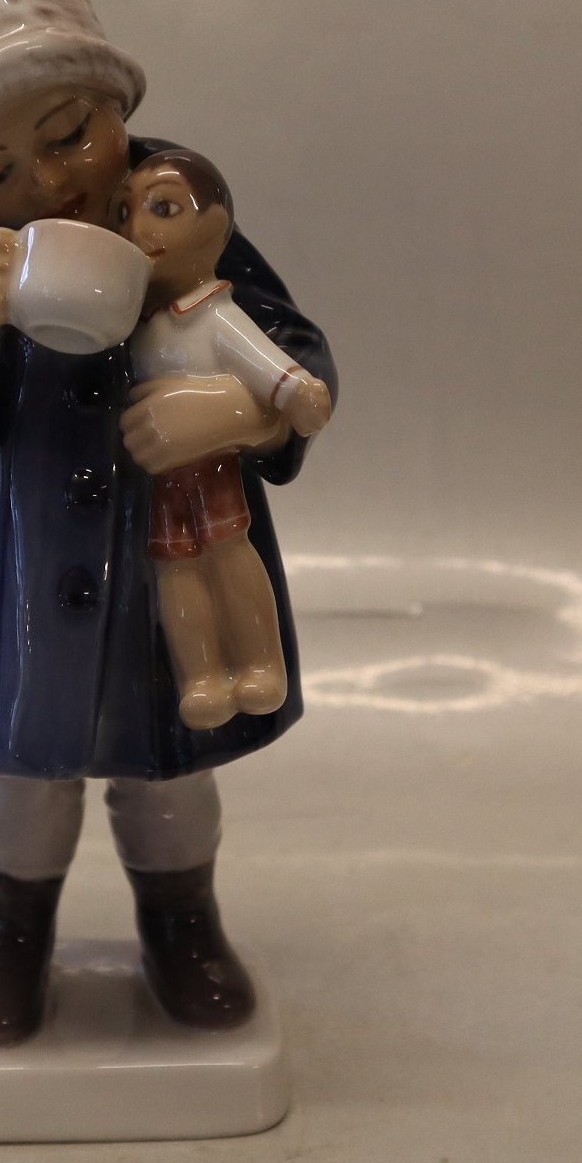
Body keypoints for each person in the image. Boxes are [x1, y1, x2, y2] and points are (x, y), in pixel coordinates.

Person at [0, 0, 338, 1046]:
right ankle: (9, 934)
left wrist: (239, 412)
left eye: (70, 135)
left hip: (166, 552)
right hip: (11, 557)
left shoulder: (175, 210)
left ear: (117, 108)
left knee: (170, 766)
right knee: (28, 771)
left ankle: (183, 922)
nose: (50, 181)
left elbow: (292, 354)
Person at [115, 149, 332, 731]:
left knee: (230, 555)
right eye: (123, 213)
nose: (137, 229)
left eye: (163, 209)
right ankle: (203, 675)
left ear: (215, 226)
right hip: (160, 475)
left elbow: (261, 360)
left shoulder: (213, 313)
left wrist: (294, 391)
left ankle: (259, 663)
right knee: (176, 571)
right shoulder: (134, 320)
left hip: (209, 466)